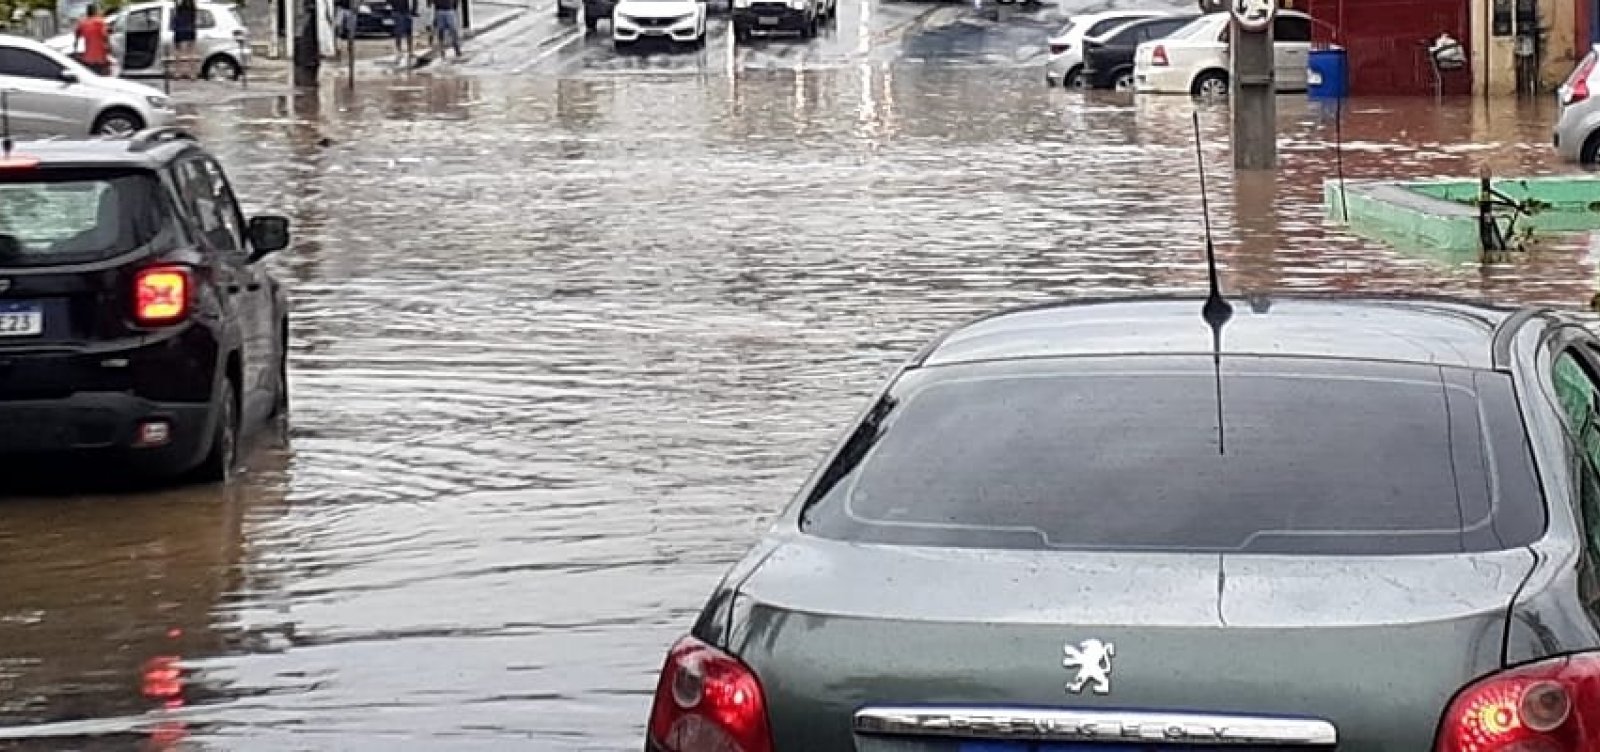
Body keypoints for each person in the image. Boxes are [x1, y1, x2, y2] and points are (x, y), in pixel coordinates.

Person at [73, 4, 111, 76]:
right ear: (95, 11)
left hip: (87, 58)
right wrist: (109, 48)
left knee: (91, 76)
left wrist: (75, 52)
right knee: (102, 77)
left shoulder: (82, 23)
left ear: (87, 12)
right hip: (100, 57)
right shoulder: (100, 22)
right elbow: (105, 37)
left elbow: (77, 38)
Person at [172, 0, 197, 79]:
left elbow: (175, 4)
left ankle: (178, 73)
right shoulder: (192, 7)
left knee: (178, 52)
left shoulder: (178, 6)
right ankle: (192, 74)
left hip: (179, 30)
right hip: (190, 30)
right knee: (191, 53)